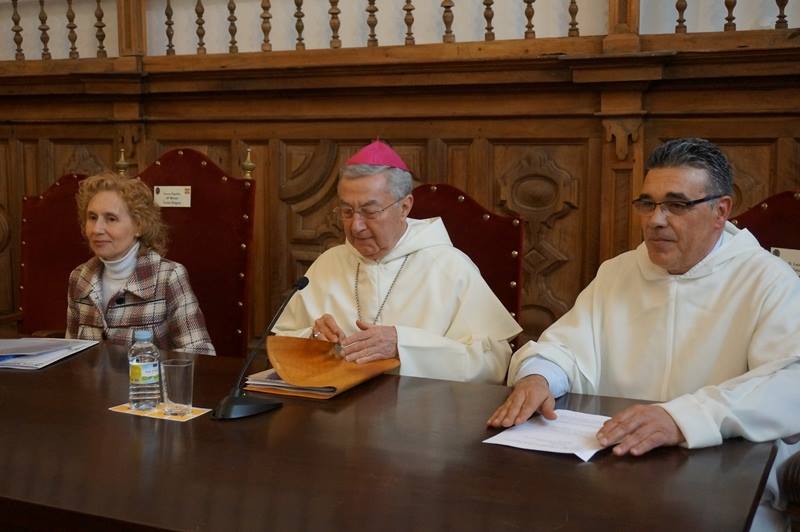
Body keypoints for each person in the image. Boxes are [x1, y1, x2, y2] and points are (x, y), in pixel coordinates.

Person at [487, 137, 799, 529]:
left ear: (721, 211)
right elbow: (567, 346)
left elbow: (789, 382)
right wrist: (538, 376)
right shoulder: (619, 273)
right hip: (614, 476)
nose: (656, 219)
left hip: (720, 487)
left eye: (677, 204)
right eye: (647, 204)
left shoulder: (767, 281)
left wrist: (683, 419)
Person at [273, 140, 521, 384]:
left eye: (370, 212)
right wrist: (313, 337)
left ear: (404, 207)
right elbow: (283, 346)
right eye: (347, 212)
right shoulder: (328, 264)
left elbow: (493, 363)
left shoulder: (449, 267)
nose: (356, 226)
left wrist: (403, 346)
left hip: (419, 413)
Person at [66, 172, 215, 355]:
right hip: (89, 384)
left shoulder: (168, 276)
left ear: (139, 226)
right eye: (92, 217)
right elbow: (70, 356)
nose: (97, 229)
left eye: (111, 219)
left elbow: (200, 353)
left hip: (150, 383)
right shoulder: (79, 278)